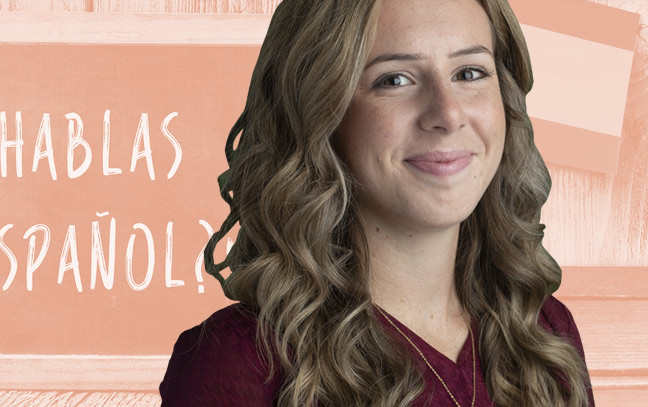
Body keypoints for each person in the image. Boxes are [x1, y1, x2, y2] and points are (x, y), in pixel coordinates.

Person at [159, 0, 595, 405]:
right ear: (320, 114)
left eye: (469, 73)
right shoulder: (238, 366)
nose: (448, 114)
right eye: (394, 80)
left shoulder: (544, 336)